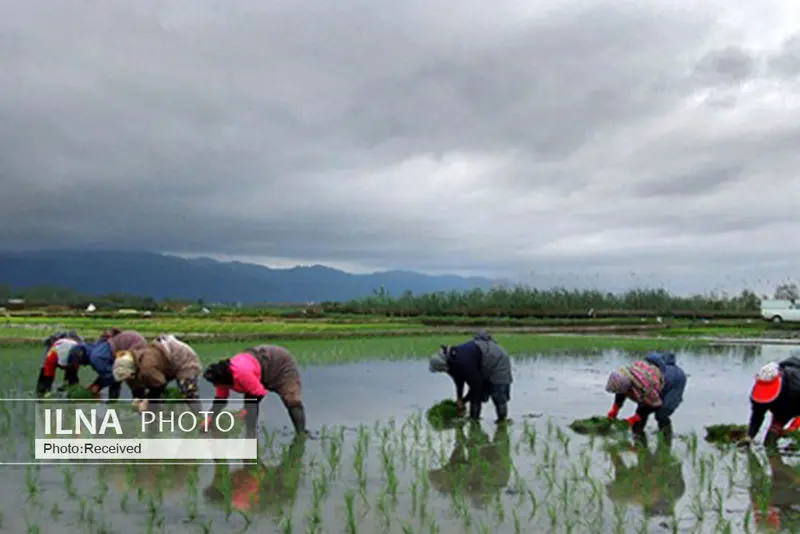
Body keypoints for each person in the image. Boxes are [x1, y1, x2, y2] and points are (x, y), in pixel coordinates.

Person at [202, 344, 307, 437]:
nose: (216, 386)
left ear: (223, 379)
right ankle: (250, 434)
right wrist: (210, 418)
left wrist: (246, 410)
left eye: (216, 383)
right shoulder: (220, 380)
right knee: (249, 403)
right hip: (258, 366)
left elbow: (259, 393)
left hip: (279, 363)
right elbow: (220, 400)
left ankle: (301, 433)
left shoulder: (242, 374)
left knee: (292, 400)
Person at [204, 435, 306, 515]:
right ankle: (300, 440)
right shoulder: (235, 494)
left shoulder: (225, 487)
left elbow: (223, 467)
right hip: (255, 484)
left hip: (253, 484)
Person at [428, 330, 513, 423]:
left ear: (443, 365)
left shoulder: (463, 362)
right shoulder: (453, 359)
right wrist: (459, 398)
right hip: (482, 364)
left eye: (441, 370)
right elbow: (459, 380)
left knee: (498, 394)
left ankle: (502, 421)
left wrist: (464, 401)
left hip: (498, 362)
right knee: (475, 396)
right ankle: (474, 419)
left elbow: (476, 386)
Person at [428, 422, 512, 508]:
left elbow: (467, 459)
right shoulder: (462, 484)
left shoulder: (466, 482)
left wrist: (460, 437)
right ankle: (494, 426)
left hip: (495, 461)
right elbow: (459, 456)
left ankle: (479, 426)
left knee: (477, 439)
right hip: (495, 464)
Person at [605, 352, 687, 442]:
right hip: (654, 381)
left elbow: (653, 405)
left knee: (661, 414)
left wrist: (634, 418)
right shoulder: (625, 377)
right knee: (638, 424)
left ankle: (666, 439)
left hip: (675, 382)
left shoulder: (644, 388)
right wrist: (615, 409)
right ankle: (639, 443)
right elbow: (621, 391)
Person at [111, 334, 202, 412]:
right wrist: (138, 399)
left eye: (128, 377)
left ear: (133, 371)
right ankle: (153, 425)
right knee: (147, 406)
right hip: (164, 363)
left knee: (188, 392)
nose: (127, 380)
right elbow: (137, 388)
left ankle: (199, 418)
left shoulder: (147, 368)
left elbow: (160, 384)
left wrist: (147, 401)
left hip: (183, 359)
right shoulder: (128, 370)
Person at [605, 435, 686, 518]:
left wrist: (613, 451)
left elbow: (619, 466)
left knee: (646, 455)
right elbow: (677, 468)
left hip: (662, 474)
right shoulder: (629, 494)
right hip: (664, 472)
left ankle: (642, 441)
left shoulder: (629, 493)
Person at [67, 329, 147, 400]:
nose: (84, 365)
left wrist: (96, 386)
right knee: (123, 377)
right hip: (132, 342)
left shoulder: (96, 358)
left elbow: (112, 376)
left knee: (131, 380)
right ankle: (116, 403)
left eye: (81, 363)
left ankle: (143, 405)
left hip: (134, 346)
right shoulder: (95, 349)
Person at [739, 357, 800, 448]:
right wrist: (750, 436)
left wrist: (793, 427)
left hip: (795, 402)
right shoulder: (758, 392)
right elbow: (757, 415)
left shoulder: (796, 385)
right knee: (769, 442)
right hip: (783, 407)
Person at [36, 331, 84, 396]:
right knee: (45, 374)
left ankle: (69, 389)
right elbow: (48, 372)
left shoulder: (78, 348)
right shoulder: (51, 352)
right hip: (53, 350)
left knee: (72, 376)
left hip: (72, 353)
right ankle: (41, 391)